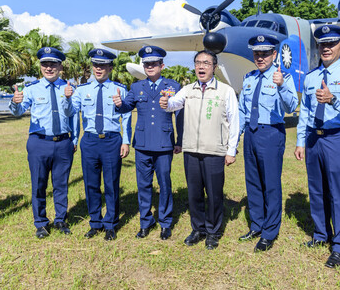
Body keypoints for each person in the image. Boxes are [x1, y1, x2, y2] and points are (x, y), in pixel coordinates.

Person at [294, 25, 340, 267]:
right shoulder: (311, 77)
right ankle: (321, 235)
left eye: (331, 44)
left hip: (335, 137)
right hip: (314, 137)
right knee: (317, 189)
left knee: (337, 192)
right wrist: (301, 141)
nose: (326, 48)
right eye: (322, 44)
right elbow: (305, 113)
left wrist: (333, 99)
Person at [159, 49, 238, 250]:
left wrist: (231, 150)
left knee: (214, 194)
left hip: (214, 151)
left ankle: (213, 231)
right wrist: (165, 103)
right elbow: (173, 105)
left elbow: (234, 121)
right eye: (197, 63)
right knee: (194, 193)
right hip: (191, 150)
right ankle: (198, 228)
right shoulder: (188, 89)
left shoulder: (226, 91)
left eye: (206, 63)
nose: (201, 67)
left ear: (215, 67)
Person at [112, 45, 183, 241]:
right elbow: (127, 107)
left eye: (153, 63)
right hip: (142, 144)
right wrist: (119, 104)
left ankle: (165, 223)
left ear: (162, 65)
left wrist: (180, 140)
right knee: (143, 185)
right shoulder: (136, 87)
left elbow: (180, 115)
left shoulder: (173, 86)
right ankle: (146, 221)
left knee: (165, 184)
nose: (150, 66)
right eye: (146, 64)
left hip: (164, 143)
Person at [9, 47, 78, 239]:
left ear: (60, 66)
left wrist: (74, 140)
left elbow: (73, 115)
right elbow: (18, 111)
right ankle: (40, 223)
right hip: (39, 143)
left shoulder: (69, 88)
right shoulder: (31, 89)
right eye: (44, 64)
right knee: (39, 184)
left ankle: (61, 219)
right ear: (40, 66)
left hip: (63, 142)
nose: (49, 68)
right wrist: (15, 101)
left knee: (61, 184)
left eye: (53, 64)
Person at [238, 34, 298, 252]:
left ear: (274, 54)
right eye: (257, 53)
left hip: (271, 133)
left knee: (271, 184)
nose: (260, 57)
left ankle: (270, 231)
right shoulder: (249, 78)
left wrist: (281, 85)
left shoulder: (284, 76)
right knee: (253, 182)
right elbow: (242, 110)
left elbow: (291, 106)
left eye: (265, 53)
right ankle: (257, 224)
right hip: (251, 134)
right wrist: (236, 138)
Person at [70, 48, 132, 241]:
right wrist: (66, 98)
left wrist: (126, 141)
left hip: (112, 140)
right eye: (96, 65)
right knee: (91, 184)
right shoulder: (81, 90)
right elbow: (72, 112)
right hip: (89, 140)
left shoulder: (120, 90)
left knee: (111, 184)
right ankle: (95, 222)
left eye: (103, 65)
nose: (99, 69)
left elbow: (127, 117)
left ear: (110, 68)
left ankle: (111, 224)